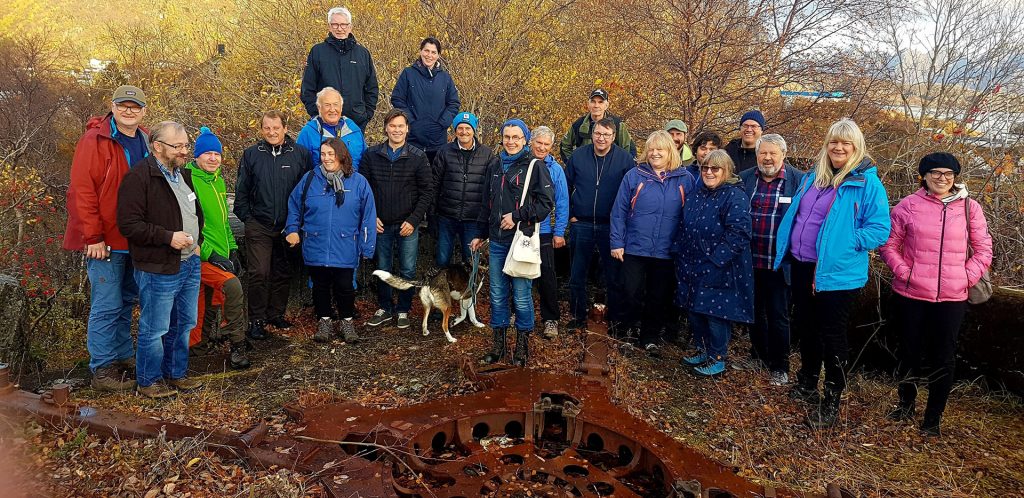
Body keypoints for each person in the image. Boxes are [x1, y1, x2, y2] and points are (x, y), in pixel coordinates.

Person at [773, 118, 891, 429]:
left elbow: (879, 229)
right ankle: (807, 383)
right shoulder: (815, 176)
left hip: (837, 273)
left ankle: (832, 399)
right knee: (807, 328)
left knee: (832, 336)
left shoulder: (866, 184)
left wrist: (847, 242)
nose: (838, 148)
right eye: (833, 142)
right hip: (802, 264)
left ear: (856, 148)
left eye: (845, 143)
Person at [879, 152, 992, 436]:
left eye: (948, 174)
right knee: (909, 352)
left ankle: (932, 419)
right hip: (911, 294)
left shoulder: (970, 208)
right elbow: (889, 244)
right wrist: (905, 272)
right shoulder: (908, 205)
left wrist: (965, 277)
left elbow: (983, 249)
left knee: (944, 356)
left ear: (955, 178)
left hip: (953, 297)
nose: (942, 178)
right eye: (935, 173)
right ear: (924, 176)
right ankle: (905, 405)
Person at [64, 85, 149, 392]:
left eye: (135, 106)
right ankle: (102, 368)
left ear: (143, 111)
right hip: (105, 240)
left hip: (134, 238)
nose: (129, 111)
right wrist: (93, 236)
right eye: (123, 106)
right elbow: (82, 191)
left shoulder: (146, 140)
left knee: (127, 300)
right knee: (106, 304)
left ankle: (123, 356)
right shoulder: (94, 140)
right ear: (112, 107)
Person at [116, 121, 204, 399]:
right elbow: (129, 225)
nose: (184, 151)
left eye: (186, 146)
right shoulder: (139, 177)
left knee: (184, 323)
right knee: (156, 328)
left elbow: (194, 213)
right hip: (158, 267)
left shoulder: (184, 175)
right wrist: (168, 237)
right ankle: (148, 380)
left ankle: (176, 373)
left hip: (189, 262)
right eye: (177, 146)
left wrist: (197, 243)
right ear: (157, 146)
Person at [471, 119, 554, 366]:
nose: (511, 141)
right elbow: (486, 202)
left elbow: (545, 204)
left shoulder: (534, 166)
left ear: (524, 139)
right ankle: (499, 346)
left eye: (516, 137)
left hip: (521, 242)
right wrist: (479, 233)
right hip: (496, 241)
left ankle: (522, 347)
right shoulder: (495, 164)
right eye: (507, 136)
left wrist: (517, 216)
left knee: (521, 295)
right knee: (497, 294)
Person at [610, 131, 696, 354]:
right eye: (651, 149)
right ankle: (627, 332)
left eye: (661, 149)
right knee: (630, 292)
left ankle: (650, 337)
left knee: (658, 296)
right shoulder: (634, 175)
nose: (655, 153)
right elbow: (619, 211)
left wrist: (684, 247)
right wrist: (617, 242)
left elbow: (691, 216)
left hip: (667, 250)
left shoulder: (685, 179)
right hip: (634, 247)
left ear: (671, 151)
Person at [285, 138, 377, 344]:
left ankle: (347, 322)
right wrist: (292, 229)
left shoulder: (358, 182)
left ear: (341, 155)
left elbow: (368, 216)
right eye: (323, 154)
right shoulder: (310, 179)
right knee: (320, 285)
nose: (326, 158)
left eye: (331, 154)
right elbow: (294, 204)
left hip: (345, 244)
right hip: (315, 242)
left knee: (345, 286)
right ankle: (324, 320)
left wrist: (367, 246)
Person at [234, 110, 313, 340]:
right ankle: (256, 320)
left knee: (283, 271)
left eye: (276, 128)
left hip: (289, 224)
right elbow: (242, 191)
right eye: (267, 128)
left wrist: (298, 223)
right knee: (259, 272)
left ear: (285, 128)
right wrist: (248, 218)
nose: (271, 132)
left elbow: (307, 190)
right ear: (261, 129)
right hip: (259, 223)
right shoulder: (251, 154)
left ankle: (275, 314)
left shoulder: (300, 154)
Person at [675, 150, 753, 376]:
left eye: (715, 169)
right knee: (694, 308)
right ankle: (701, 348)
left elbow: (739, 232)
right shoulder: (697, 193)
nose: (709, 173)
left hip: (720, 266)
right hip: (691, 260)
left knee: (715, 312)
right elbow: (684, 222)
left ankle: (717, 357)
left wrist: (716, 259)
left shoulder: (734, 195)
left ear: (726, 171)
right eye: (705, 168)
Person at [738, 134, 804, 385]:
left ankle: (780, 366)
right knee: (754, 312)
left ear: (783, 155)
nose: (767, 158)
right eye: (762, 153)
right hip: (750, 260)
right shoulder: (745, 180)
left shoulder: (798, 181)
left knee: (779, 315)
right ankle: (758, 355)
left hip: (781, 263)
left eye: (772, 153)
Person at [361, 109, 433, 329]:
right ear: (386, 128)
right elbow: (363, 190)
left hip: (407, 225)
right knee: (383, 267)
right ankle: (384, 307)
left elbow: (427, 192)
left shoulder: (418, 156)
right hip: (380, 224)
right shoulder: (371, 155)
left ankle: (403, 309)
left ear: (407, 129)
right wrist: (371, 217)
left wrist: (413, 220)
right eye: (392, 126)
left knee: (408, 269)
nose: (397, 130)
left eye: (401, 126)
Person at [185, 127, 250, 370]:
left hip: (220, 252)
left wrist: (232, 249)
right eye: (207, 154)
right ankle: (237, 344)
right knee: (231, 286)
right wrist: (211, 253)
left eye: (217, 154)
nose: (213, 158)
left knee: (208, 300)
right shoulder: (187, 180)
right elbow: (189, 223)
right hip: (198, 254)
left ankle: (198, 347)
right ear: (196, 156)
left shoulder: (218, 180)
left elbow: (223, 221)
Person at [564, 117, 635, 332]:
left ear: (614, 137)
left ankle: (614, 318)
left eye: (606, 134)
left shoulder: (624, 160)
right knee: (577, 274)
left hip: (610, 226)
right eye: (597, 133)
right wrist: (570, 215)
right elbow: (564, 187)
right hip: (581, 223)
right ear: (592, 134)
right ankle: (577, 315)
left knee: (613, 276)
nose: (601, 138)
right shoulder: (578, 156)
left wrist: (623, 225)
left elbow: (632, 196)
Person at [432, 112, 496, 268]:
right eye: (460, 128)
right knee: (442, 258)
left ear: (474, 130)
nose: (464, 132)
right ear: (455, 130)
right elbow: (434, 183)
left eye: (468, 128)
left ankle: (468, 292)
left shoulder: (487, 154)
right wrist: (432, 213)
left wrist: (486, 217)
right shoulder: (444, 152)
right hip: (447, 215)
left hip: (473, 218)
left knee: (470, 261)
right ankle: (443, 291)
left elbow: (491, 189)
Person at [300, 6, 379, 130]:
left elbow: (372, 87)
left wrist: (366, 115)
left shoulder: (362, 53)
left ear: (350, 26)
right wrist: (316, 114)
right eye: (335, 24)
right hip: (325, 123)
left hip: (356, 122)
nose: (340, 28)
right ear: (329, 26)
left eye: (343, 24)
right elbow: (307, 88)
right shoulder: (318, 51)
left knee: (354, 150)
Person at [390, 37, 461, 165]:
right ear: (420, 51)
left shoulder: (445, 78)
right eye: (426, 51)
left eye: (433, 52)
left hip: (438, 141)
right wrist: (411, 122)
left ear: (438, 55)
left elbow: (454, 103)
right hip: (413, 138)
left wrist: (442, 124)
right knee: (412, 179)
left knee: (435, 180)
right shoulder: (408, 73)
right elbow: (397, 99)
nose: (429, 55)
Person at [531, 126, 569, 338]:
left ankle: (551, 319)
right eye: (539, 143)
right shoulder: (523, 163)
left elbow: (562, 202)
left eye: (546, 144)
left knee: (547, 275)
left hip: (545, 230)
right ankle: (518, 313)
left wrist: (559, 231)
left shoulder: (556, 170)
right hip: (523, 229)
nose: (542, 147)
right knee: (519, 273)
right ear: (531, 142)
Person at [297, 87, 366, 171]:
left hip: (353, 182)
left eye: (336, 104)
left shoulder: (354, 130)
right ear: (319, 108)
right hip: (320, 183)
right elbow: (299, 167)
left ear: (341, 107)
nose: (332, 109)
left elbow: (365, 164)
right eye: (327, 105)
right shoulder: (308, 132)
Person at [559, 88, 636, 163]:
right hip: (586, 170)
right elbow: (565, 146)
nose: (596, 105)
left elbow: (629, 149)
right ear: (588, 104)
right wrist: (575, 164)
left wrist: (621, 168)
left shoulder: (617, 124)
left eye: (600, 102)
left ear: (606, 105)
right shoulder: (579, 124)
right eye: (593, 102)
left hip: (611, 170)